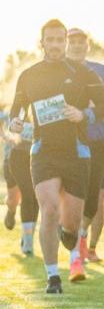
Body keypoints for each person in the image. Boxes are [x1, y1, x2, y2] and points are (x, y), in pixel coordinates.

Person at [7, 19, 104, 292]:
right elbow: (16, 110)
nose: (55, 45)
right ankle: (53, 276)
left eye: (59, 40)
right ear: (41, 42)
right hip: (43, 151)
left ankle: (67, 239)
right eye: (50, 40)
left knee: (71, 223)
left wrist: (84, 114)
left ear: (65, 42)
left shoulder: (82, 73)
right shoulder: (29, 75)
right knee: (50, 209)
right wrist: (15, 123)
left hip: (76, 153)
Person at [64, 28, 104, 271]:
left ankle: (82, 240)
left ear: (88, 45)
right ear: (67, 45)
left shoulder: (101, 71)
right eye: (73, 42)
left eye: (82, 42)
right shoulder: (60, 70)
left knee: (94, 197)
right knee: (68, 196)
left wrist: (96, 106)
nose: (77, 46)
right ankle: (73, 240)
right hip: (65, 142)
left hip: (95, 140)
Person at [5, 109, 39, 255]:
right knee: (14, 198)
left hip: (36, 157)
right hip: (15, 157)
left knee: (33, 196)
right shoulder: (19, 108)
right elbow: (5, 127)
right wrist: (11, 136)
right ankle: (11, 212)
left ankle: (28, 239)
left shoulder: (44, 107)